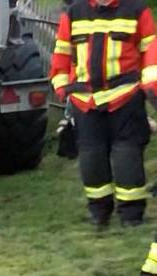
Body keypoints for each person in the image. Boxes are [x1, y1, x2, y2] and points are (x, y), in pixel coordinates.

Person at [50, 0, 157, 229]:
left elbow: (151, 51)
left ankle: (131, 215)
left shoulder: (137, 10)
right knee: (91, 156)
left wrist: (150, 86)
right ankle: (99, 212)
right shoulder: (74, 12)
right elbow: (62, 53)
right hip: (85, 101)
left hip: (125, 96)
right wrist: (61, 87)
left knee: (126, 154)